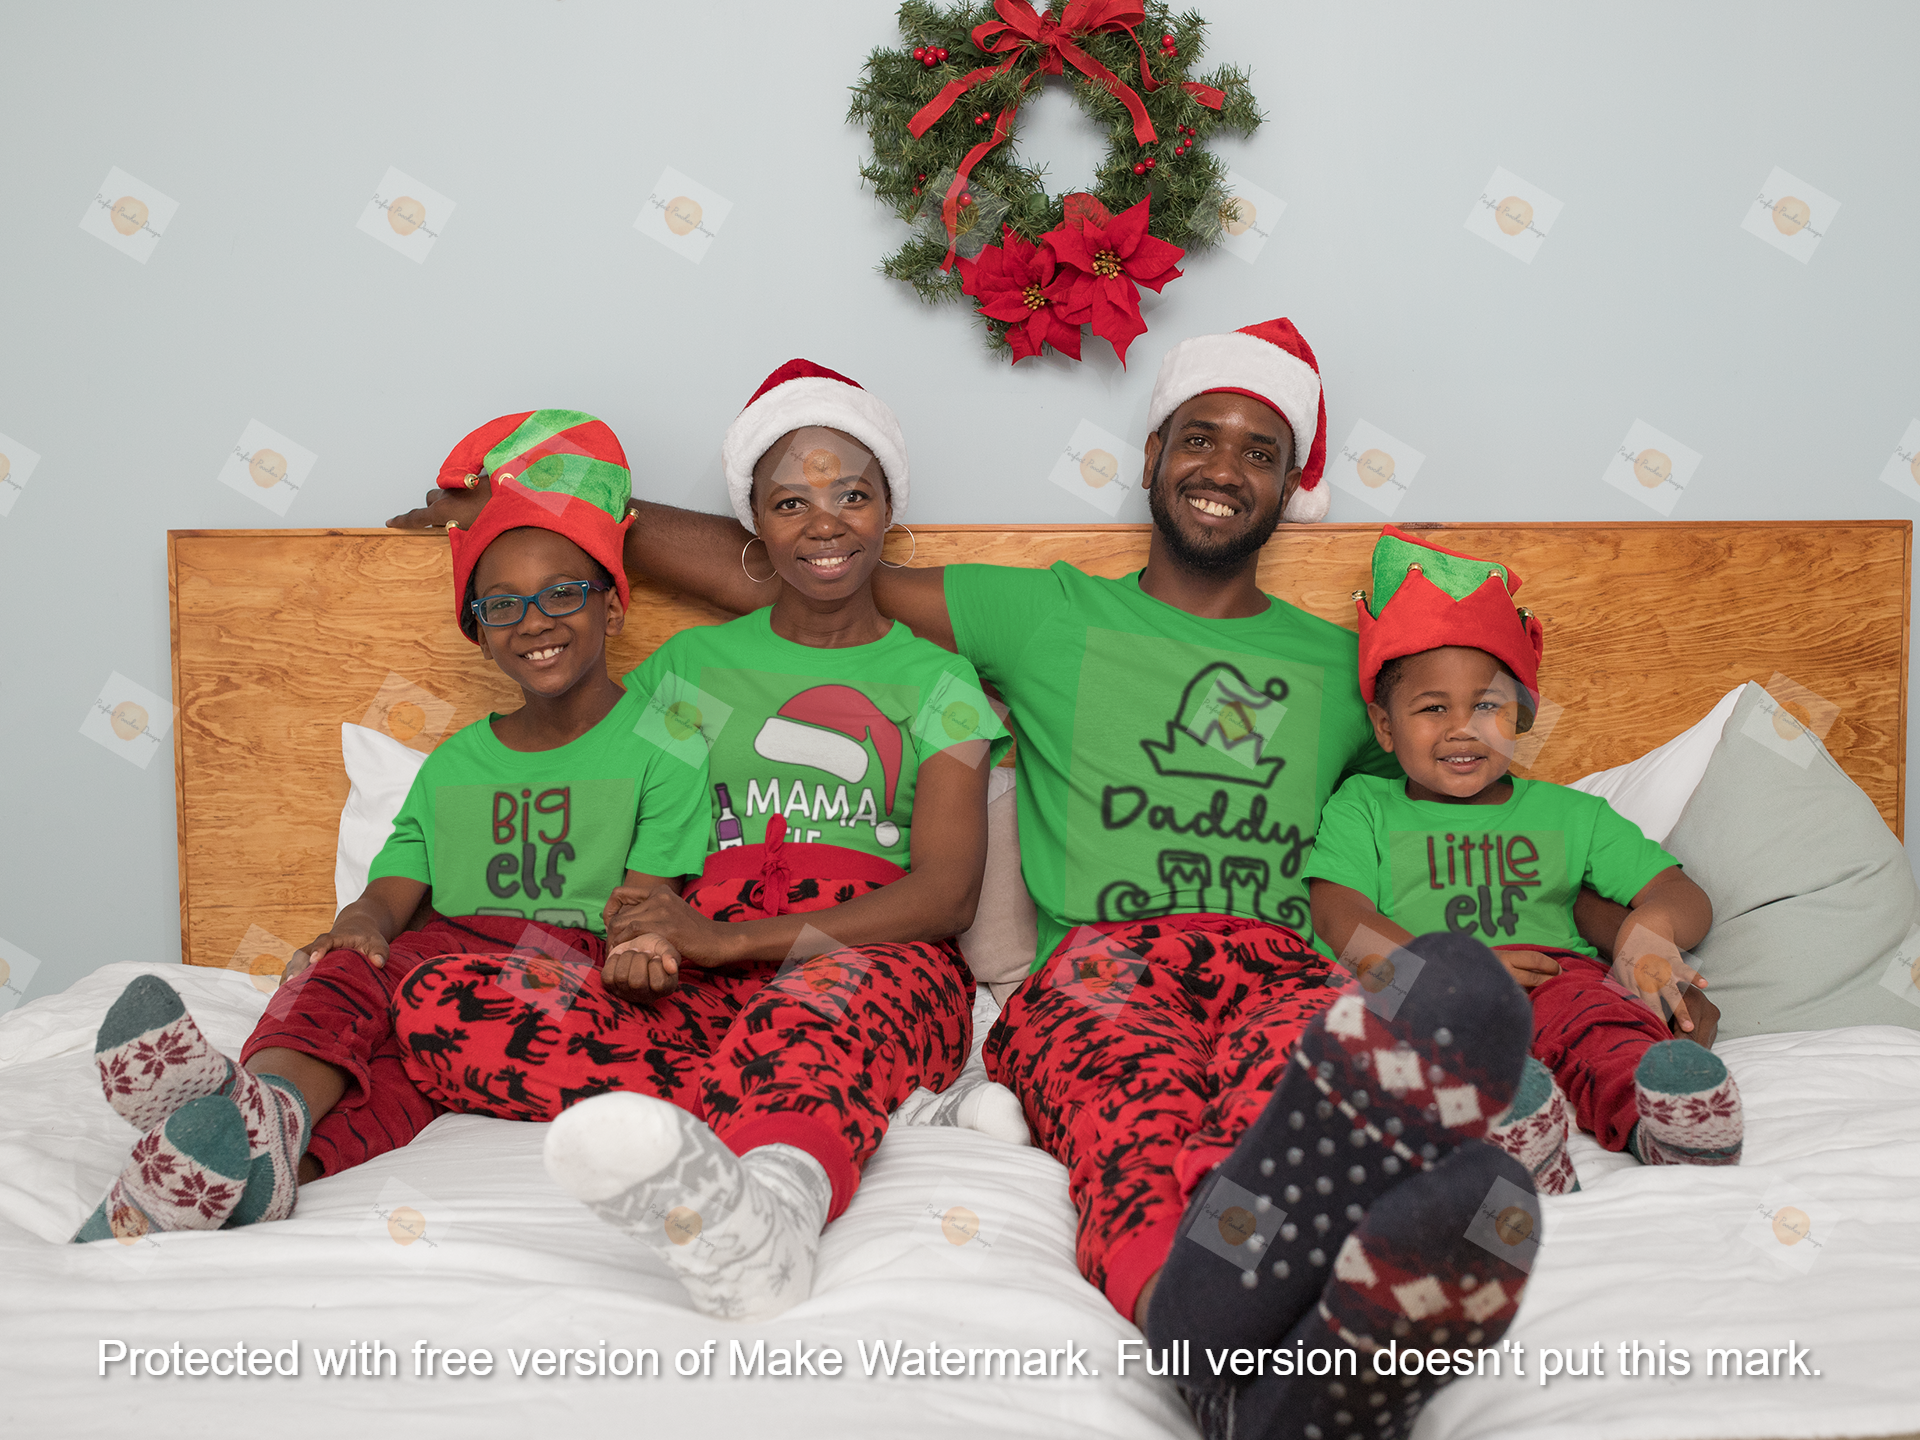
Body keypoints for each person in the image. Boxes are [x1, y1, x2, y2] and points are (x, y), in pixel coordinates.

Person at [388, 321, 1581, 1429]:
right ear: (1154, 451)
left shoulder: (1345, 666)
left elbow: (1458, 763)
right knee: (1127, 1109)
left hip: (1269, 960)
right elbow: (803, 585)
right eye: (1199, 437)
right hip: (1100, 969)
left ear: (1291, 482)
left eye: (1260, 450)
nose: (1224, 466)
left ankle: (1285, 1340)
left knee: (1296, 1086)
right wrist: (557, 506)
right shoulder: (1040, 614)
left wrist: (1585, 941)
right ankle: (1204, 1312)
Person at [390, 360, 1016, 1324]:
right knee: (442, 998)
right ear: (755, 529)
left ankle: (770, 1212)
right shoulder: (687, 669)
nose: (825, 522)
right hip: (705, 949)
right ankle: (861, 1093)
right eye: (790, 501)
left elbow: (945, 896)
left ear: (890, 511)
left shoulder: (943, 683)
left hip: (863, 947)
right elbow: (635, 818)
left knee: (825, 1002)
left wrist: (729, 943)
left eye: (853, 494)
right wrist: (644, 931)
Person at [75, 410, 708, 1241]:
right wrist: (356, 929)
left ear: (612, 610)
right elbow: (390, 892)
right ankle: (252, 1152)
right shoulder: (455, 763)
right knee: (371, 1017)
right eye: (504, 606)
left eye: (563, 593)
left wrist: (641, 954)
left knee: (407, 996)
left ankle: (236, 1109)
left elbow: (646, 902)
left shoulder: (668, 740)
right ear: (480, 635)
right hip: (444, 956)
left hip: (567, 969)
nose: (536, 621)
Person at [1306, 525, 1742, 1180]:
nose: (1463, 728)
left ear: (1522, 717)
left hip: (1556, 978)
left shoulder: (1572, 814)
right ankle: (1514, 1137)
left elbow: (1681, 896)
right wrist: (1448, 975)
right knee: (1417, 1048)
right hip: (1434, 988)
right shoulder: (1364, 804)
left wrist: (1648, 936)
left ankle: (1667, 1123)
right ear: (1385, 726)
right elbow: (1338, 913)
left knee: (1606, 1026)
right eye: (1432, 708)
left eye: (1488, 705)